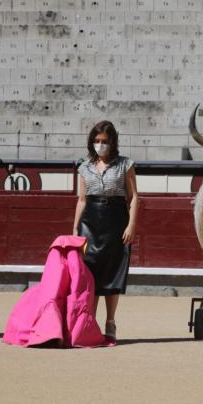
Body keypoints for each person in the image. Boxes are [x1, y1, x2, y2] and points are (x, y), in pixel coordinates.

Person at [72, 120, 138, 341]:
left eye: (105, 141)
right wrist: (75, 230)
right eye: (97, 141)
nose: (100, 145)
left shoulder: (124, 164)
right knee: (90, 274)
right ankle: (89, 321)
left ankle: (110, 321)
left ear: (113, 143)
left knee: (112, 273)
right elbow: (81, 200)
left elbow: (134, 197)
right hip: (90, 222)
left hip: (115, 220)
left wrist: (131, 225)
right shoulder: (84, 166)